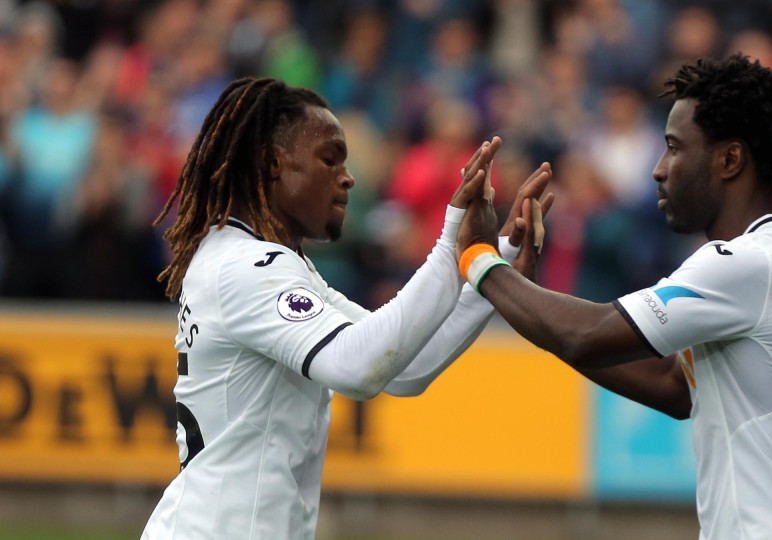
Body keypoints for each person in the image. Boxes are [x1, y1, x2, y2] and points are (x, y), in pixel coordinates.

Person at [457, 55, 772, 539]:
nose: (658, 170)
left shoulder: (750, 262)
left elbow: (584, 334)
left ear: (730, 160)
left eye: (674, 148)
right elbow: (673, 386)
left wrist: (477, 256)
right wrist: (531, 304)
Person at [140, 77, 552, 539]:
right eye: (329, 158)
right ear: (273, 164)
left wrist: (489, 265)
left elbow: (403, 369)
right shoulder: (248, 268)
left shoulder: (264, 261)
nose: (348, 176)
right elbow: (359, 369)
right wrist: (450, 243)